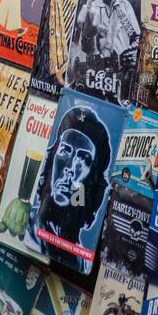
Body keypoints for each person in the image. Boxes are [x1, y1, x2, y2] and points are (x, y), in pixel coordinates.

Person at [31, 102, 113, 270]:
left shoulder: (83, 261)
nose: (69, 167)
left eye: (83, 159)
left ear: (92, 178)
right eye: (65, 151)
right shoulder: (30, 231)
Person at [75, 0, 141, 74]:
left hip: (125, 75)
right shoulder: (92, 10)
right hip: (100, 76)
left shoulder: (124, 6)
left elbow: (137, 37)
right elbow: (87, 50)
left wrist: (135, 53)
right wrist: (87, 35)